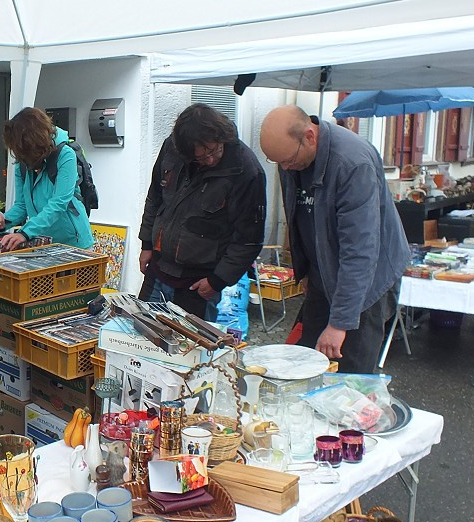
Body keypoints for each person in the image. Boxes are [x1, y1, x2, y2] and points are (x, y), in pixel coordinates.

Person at [260, 105, 409, 372]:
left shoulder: (353, 164)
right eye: (277, 162)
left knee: (350, 373)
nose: (285, 167)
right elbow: (298, 217)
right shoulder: (290, 157)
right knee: (305, 364)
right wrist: (304, 270)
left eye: (288, 160)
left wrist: (340, 323)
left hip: (366, 280)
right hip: (324, 272)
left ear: (309, 136)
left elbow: (360, 250)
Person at [138, 103, 266, 319]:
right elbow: (155, 198)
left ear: (221, 136)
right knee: (141, 337)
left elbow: (248, 239)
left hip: (199, 283)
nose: (210, 159)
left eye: (214, 150)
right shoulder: (173, 148)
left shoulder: (246, 170)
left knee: (190, 350)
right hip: (158, 270)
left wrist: (218, 281)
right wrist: (147, 244)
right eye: (200, 157)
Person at [0, 107, 94, 251]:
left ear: (34, 144)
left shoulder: (65, 155)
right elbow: (22, 205)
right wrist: (4, 221)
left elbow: (59, 203)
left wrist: (25, 233)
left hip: (73, 244)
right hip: (42, 243)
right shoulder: (23, 161)